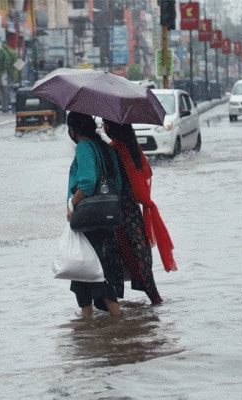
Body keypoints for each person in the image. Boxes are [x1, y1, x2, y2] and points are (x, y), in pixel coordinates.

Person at [102, 120, 178, 305]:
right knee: (139, 255)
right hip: (134, 212)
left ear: (111, 129)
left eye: (105, 124)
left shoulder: (114, 151)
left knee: (116, 258)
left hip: (117, 213)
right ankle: (155, 298)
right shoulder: (134, 149)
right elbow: (146, 174)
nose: (104, 127)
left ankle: (112, 307)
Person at [66, 112, 124, 317]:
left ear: (72, 130)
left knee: (84, 275)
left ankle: (86, 329)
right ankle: (119, 329)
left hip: (88, 221)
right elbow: (117, 183)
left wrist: (72, 204)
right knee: (105, 274)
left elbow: (88, 183)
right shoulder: (106, 148)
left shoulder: (83, 148)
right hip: (108, 218)